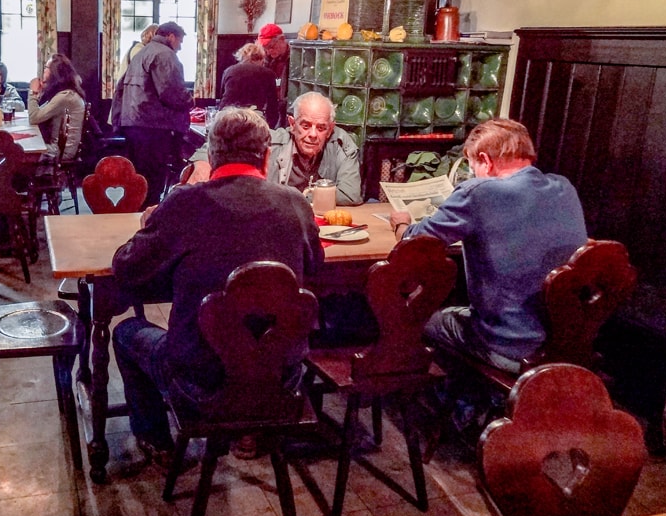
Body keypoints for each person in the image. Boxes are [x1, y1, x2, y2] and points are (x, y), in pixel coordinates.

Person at [111, 106, 323, 463]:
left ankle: (157, 441)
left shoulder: (185, 204)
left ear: (211, 156)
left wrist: (151, 225)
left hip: (201, 385)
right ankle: (249, 431)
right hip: (281, 381)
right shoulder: (296, 205)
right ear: (267, 156)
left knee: (126, 331)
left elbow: (126, 268)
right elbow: (316, 267)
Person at [390, 118, 588, 372]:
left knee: (426, 319)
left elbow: (416, 244)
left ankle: (458, 400)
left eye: (472, 166)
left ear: (485, 160)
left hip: (508, 345)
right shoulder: (564, 187)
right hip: (565, 344)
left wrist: (401, 223)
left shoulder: (478, 192)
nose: (473, 173)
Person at [189, 91, 362, 205]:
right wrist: (203, 162)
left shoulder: (341, 144)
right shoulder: (273, 139)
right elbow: (225, 140)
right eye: (306, 125)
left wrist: (301, 196)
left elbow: (350, 195)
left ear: (330, 129)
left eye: (321, 128)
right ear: (292, 124)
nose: (313, 134)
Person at [111, 21, 193, 207]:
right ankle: (149, 220)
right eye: (179, 42)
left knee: (139, 177)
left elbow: (120, 89)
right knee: (154, 179)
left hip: (133, 123)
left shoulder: (142, 52)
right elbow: (171, 93)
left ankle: (137, 216)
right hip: (153, 126)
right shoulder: (165, 55)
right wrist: (190, 100)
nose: (179, 47)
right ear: (171, 36)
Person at [28, 53, 86, 164]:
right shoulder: (63, 92)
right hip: (59, 147)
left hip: (61, 151)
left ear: (54, 72)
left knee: (20, 151)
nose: (44, 71)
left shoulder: (65, 96)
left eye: (46, 68)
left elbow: (34, 117)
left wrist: (33, 92)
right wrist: (40, 93)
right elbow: (40, 112)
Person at [218, 42, 279, 127]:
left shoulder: (229, 71)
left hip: (228, 115)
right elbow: (272, 105)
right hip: (254, 116)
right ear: (261, 58)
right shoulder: (268, 73)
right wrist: (270, 126)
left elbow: (222, 95)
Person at [256, 23, 289, 128]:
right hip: (270, 107)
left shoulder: (295, 58)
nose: (269, 51)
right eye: (266, 48)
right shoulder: (266, 60)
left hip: (287, 109)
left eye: (272, 46)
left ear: (282, 39)